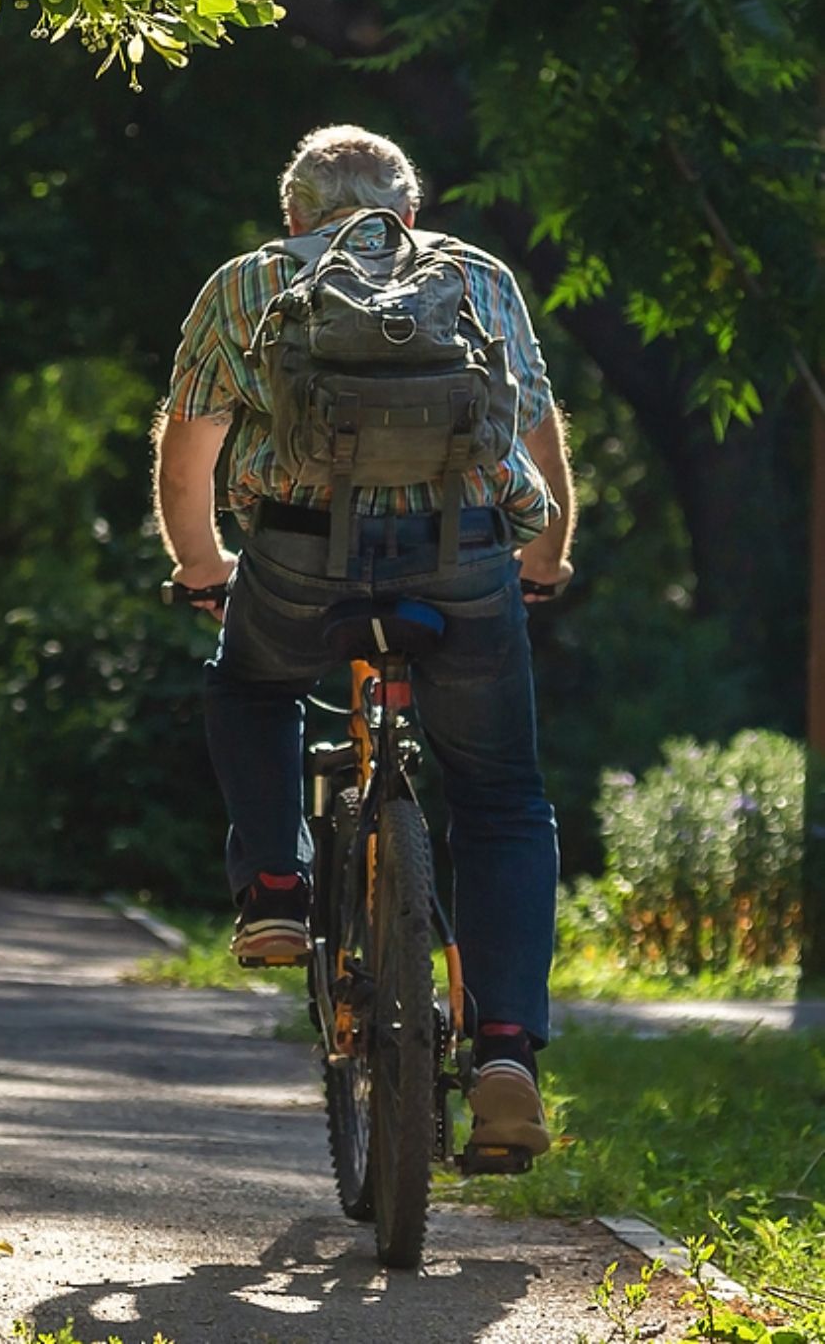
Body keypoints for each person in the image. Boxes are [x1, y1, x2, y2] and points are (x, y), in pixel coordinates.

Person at [152, 124, 575, 1159]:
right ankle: (507, 1051)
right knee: (502, 800)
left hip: (299, 555)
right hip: (465, 555)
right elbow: (536, 429)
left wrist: (204, 569)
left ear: (292, 218)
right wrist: (546, 554)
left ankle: (277, 891)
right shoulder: (474, 275)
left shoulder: (247, 283)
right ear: (408, 211)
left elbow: (188, 455)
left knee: (252, 688)